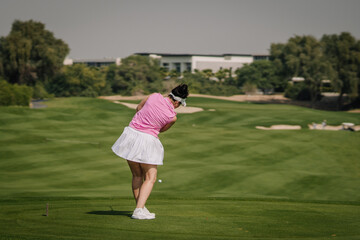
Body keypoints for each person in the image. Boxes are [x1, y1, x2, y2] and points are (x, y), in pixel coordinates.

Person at [111, 84, 189, 220]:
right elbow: (161, 129)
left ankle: (140, 208)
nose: (179, 107)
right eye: (180, 104)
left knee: (136, 175)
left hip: (131, 134)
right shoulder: (172, 116)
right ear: (177, 101)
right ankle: (139, 210)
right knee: (151, 177)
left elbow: (138, 109)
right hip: (147, 140)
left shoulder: (154, 95)